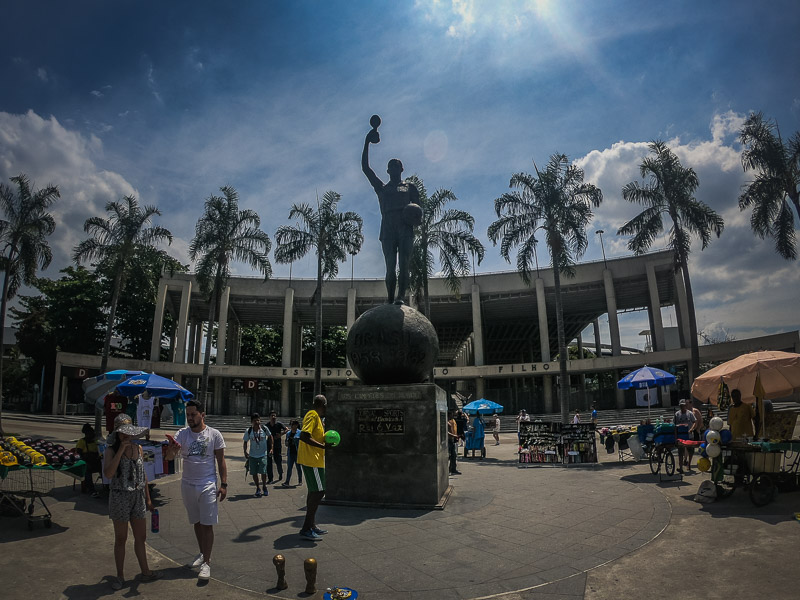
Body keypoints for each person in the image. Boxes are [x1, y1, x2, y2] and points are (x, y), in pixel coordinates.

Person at [164, 400, 228, 581]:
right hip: (187, 484)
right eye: (188, 415)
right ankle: (202, 553)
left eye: (193, 414)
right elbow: (169, 458)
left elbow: (221, 461)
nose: (190, 418)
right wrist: (172, 450)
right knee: (197, 522)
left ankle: (207, 563)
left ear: (202, 414)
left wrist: (223, 484)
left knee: (207, 524)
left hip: (207, 484)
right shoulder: (182, 434)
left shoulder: (214, 434)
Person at [362, 121, 421, 305]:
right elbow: (366, 168)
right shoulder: (382, 188)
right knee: (390, 267)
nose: (394, 168)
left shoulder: (410, 188)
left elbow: (419, 211)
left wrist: (414, 219)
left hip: (404, 227)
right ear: (388, 170)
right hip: (387, 226)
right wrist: (366, 142)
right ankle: (389, 299)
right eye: (391, 166)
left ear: (401, 169)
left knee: (404, 264)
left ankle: (400, 297)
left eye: (397, 166)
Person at [103, 414, 160, 590]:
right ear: (117, 434)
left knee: (141, 537)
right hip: (120, 496)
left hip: (138, 496)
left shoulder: (139, 449)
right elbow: (109, 474)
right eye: (122, 433)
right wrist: (120, 451)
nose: (126, 436)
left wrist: (148, 499)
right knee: (121, 538)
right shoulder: (110, 451)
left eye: (128, 432)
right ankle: (120, 576)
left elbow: (143, 475)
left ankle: (146, 571)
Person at [298, 394, 332, 541]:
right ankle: (306, 528)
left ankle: (311, 525)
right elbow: (304, 435)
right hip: (312, 460)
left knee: (314, 491)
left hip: (315, 460)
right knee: (319, 491)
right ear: (323, 405)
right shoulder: (312, 415)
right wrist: (323, 446)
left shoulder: (317, 418)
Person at [243, 413, 271, 497]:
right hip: (252, 455)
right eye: (255, 421)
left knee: (263, 472)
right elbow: (245, 442)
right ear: (252, 422)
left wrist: (271, 448)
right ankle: (258, 488)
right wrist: (245, 452)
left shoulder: (264, 429)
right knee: (254, 473)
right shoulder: (249, 431)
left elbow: (270, 436)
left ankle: (264, 486)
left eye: (258, 420)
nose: (257, 422)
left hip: (263, 454)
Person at [76, 423, 102, 497]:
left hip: (95, 461)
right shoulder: (82, 442)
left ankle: (107, 486)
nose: (93, 435)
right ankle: (91, 490)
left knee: (104, 467)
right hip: (85, 462)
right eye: (91, 434)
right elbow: (79, 455)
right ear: (87, 434)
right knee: (87, 470)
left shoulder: (95, 442)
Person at [265, 411, 287, 484]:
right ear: (269, 417)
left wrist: (281, 434)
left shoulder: (279, 424)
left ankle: (280, 473)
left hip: (277, 446)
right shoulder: (267, 425)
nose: (273, 417)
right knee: (269, 463)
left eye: (274, 416)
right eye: (272, 416)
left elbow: (287, 429)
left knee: (278, 461)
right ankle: (270, 478)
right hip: (269, 446)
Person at [674, 399, 696, 471]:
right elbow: (674, 425)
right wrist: (676, 436)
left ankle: (688, 464)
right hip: (681, 436)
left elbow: (694, 422)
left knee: (691, 450)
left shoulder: (690, 413)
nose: (682, 407)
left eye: (683, 406)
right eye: (681, 406)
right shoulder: (677, 414)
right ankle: (680, 467)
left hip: (689, 435)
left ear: (685, 406)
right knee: (680, 451)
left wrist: (692, 429)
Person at [282, 419, 303, 487]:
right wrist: (288, 442)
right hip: (290, 452)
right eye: (291, 424)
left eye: (293, 424)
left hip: (297, 452)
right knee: (289, 468)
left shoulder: (300, 433)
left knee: (298, 467)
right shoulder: (288, 433)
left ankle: (300, 480)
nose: (292, 426)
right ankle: (287, 481)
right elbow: (286, 443)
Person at [687, 399, 704, 465]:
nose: (687, 406)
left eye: (688, 404)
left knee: (694, 446)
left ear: (691, 404)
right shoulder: (686, 412)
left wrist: (698, 429)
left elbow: (700, 420)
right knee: (687, 447)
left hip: (695, 430)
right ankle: (686, 460)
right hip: (688, 431)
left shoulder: (695, 411)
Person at [447, 410, 461, 475]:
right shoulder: (446, 422)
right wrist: (454, 435)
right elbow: (446, 432)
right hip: (448, 440)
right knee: (449, 456)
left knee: (454, 455)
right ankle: (448, 470)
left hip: (452, 440)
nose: (452, 415)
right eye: (451, 414)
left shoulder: (453, 421)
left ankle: (453, 469)